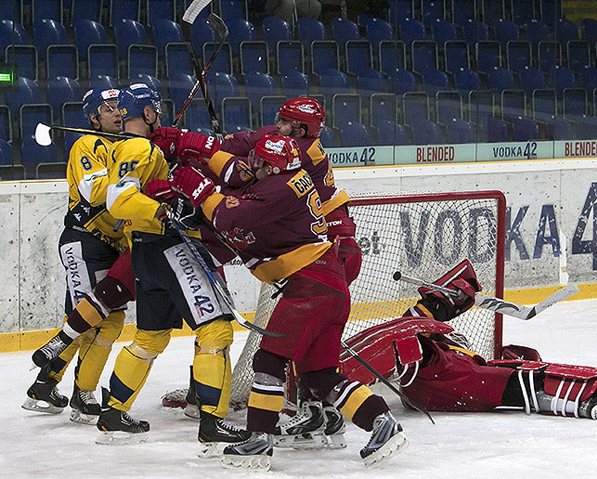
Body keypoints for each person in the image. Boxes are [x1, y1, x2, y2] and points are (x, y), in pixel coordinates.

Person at [166, 133, 409, 470]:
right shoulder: (287, 180)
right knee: (320, 376)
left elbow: (229, 216)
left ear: (271, 166)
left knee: (268, 360)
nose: (251, 165)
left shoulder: (277, 189)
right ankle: (382, 422)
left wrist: (201, 189)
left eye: (258, 161)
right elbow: (239, 199)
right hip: (330, 285)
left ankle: (259, 439)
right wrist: (198, 163)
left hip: (309, 288)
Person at [150, 98, 362, 443]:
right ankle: (320, 411)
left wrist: (194, 157)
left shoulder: (299, 154)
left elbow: (241, 184)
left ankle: (311, 411)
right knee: (303, 344)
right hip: (316, 247)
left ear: (301, 129)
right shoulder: (287, 142)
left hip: (329, 250)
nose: (278, 126)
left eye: (285, 122)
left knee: (295, 344)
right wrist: (197, 143)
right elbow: (245, 144)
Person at [95, 84, 249, 448]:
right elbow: (120, 200)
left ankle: (113, 412)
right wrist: (163, 210)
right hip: (170, 248)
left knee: (149, 337)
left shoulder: (130, 148)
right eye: (156, 112)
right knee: (215, 331)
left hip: (145, 254)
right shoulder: (139, 148)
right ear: (148, 113)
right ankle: (212, 422)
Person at [340, 260, 597, 421]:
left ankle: (589, 394)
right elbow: (408, 332)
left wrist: (442, 304)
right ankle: (593, 391)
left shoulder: (443, 350)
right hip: (442, 380)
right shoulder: (436, 355)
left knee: (514, 373)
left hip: (435, 382)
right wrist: (437, 306)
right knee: (517, 379)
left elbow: (411, 331)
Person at [22, 88, 136, 425]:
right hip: (85, 242)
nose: (117, 113)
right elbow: (94, 191)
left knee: (85, 319)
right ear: (93, 118)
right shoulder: (88, 144)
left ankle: (44, 386)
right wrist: (130, 173)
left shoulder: (125, 147)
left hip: (108, 246)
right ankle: (81, 394)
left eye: (119, 107)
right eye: (108, 108)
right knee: (99, 321)